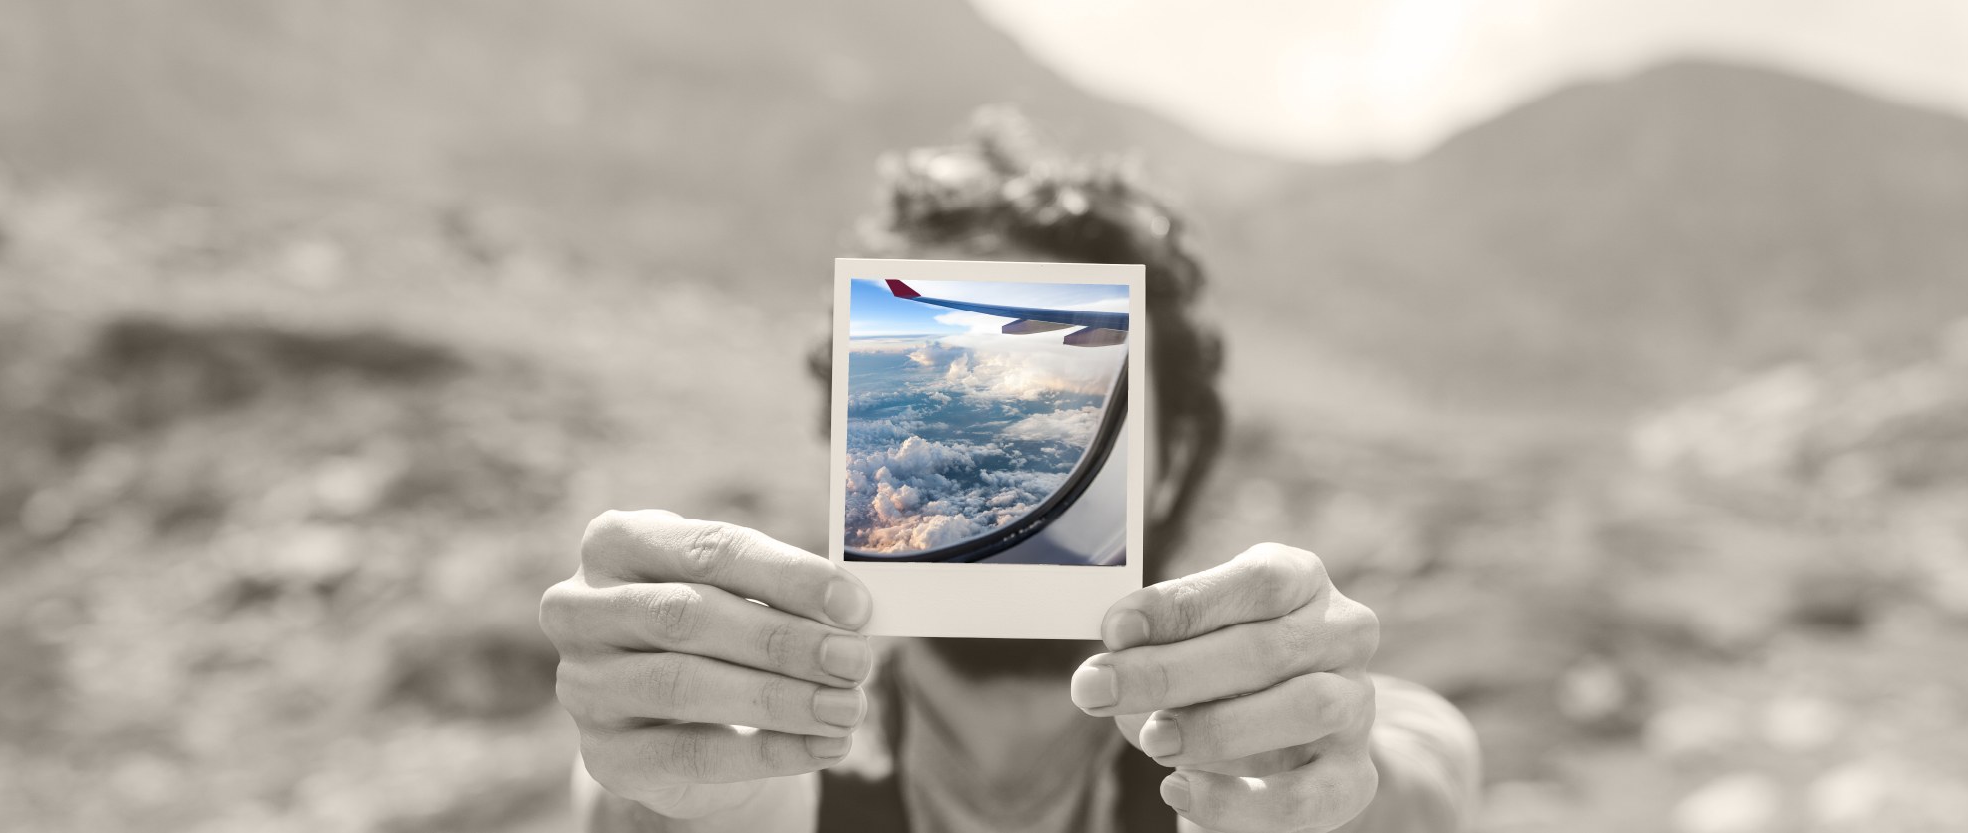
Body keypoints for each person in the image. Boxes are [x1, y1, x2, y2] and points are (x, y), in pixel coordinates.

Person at [540, 111, 1481, 833]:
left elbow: (1417, 776)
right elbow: (668, 803)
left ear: (1174, 453)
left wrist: (1334, 783)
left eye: (1066, 390)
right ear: (842, 440)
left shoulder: (1264, 746)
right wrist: (657, 773)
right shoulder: (759, 747)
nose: (986, 431)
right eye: (919, 374)